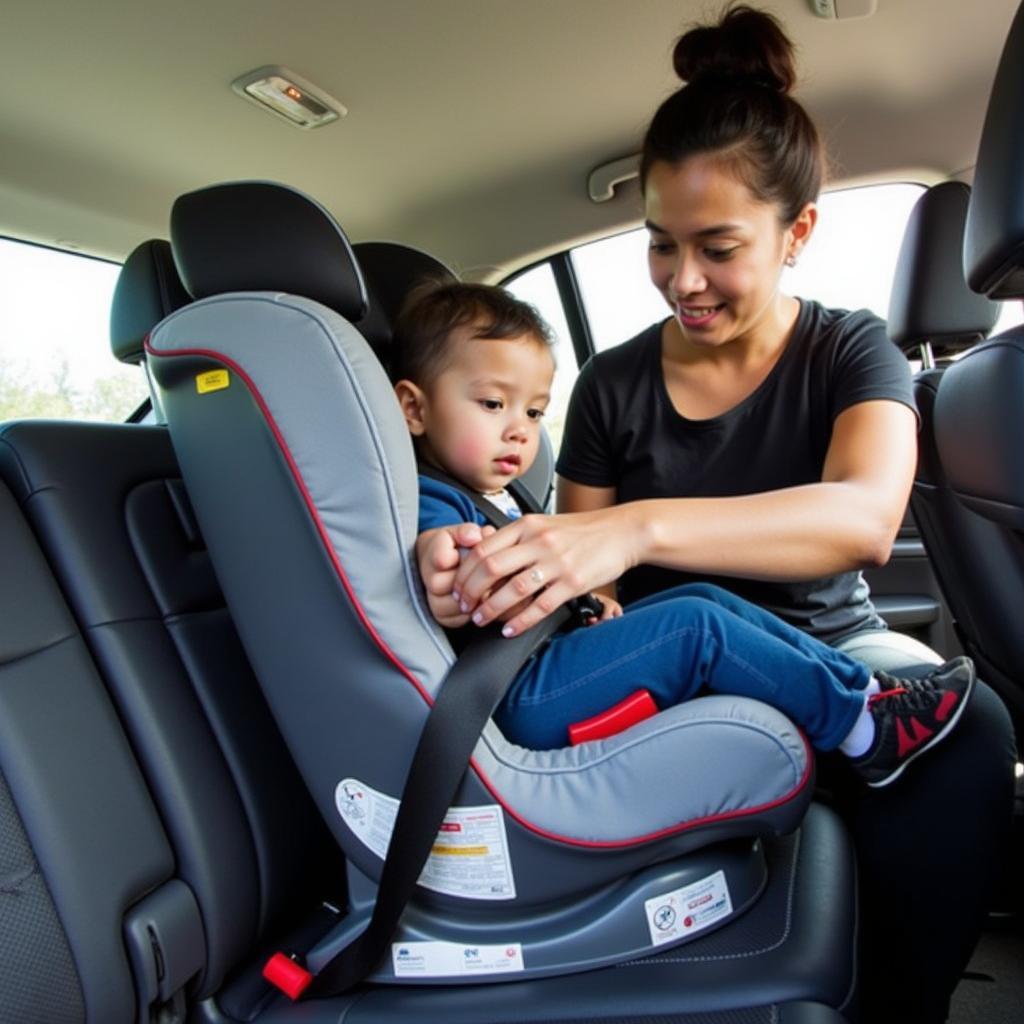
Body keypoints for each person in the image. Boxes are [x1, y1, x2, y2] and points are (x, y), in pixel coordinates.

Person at [421, 7, 1016, 1021]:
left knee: (969, 738)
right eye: (660, 245)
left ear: (797, 234)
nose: (681, 281)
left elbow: (865, 519)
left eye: (717, 247)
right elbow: (590, 572)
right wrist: (555, 573)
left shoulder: (848, 348)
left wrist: (641, 525)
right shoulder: (610, 383)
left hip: (831, 637)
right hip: (675, 658)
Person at [395, 279, 975, 788]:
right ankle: (866, 733)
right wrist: (440, 560)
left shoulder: (496, 499)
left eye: (533, 413)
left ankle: (867, 695)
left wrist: (591, 603)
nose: (520, 432)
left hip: (548, 670)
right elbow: (441, 556)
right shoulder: (428, 501)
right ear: (414, 410)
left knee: (702, 599)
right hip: (517, 696)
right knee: (696, 626)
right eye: (494, 403)